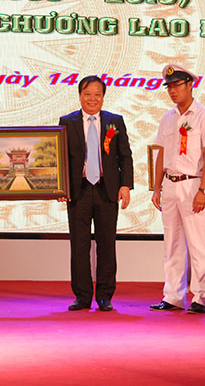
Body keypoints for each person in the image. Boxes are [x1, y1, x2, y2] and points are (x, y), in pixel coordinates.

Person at [150, 65, 205, 314]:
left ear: (190, 85)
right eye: (169, 87)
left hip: (193, 184)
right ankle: (173, 296)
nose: (172, 91)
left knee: (199, 244)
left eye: (177, 85)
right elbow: (160, 155)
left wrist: (203, 189)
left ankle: (201, 297)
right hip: (170, 184)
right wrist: (156, 188)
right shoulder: (167, 118)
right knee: (172, 243)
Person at [59, 75, 134, 312]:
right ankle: (82, 296)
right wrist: (61, 187)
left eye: (97, 95)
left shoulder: (115, 121)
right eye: (87, 94)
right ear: (80, 96)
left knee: (106, 244)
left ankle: (105, 296)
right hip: (78, 190)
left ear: (103, 97)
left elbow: (125, 156)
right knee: (79, 245)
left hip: (106, 189)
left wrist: (125, 185)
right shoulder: (67, 121)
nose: (92, 99)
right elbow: (60, 157)